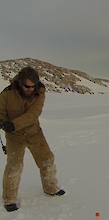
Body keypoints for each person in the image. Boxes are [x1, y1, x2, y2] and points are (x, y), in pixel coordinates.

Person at [0, 66, 64, 212]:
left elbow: (32, 115)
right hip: (14, 138)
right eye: (27, 86)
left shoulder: (39, 93)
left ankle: (51, 188)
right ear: (19, 83)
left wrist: (13, 124)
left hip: (35, 133)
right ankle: (9, 199)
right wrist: (2, 122)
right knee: (14, 167)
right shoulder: (6, 95)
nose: (30, 89)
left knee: (47, 160)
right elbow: (0, 112)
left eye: (33, 86)